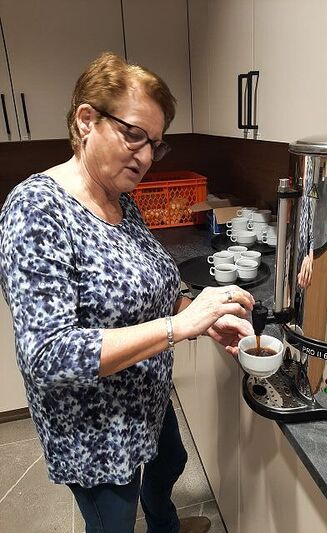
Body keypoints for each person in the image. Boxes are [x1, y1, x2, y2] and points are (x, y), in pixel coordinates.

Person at [0, 52, 254, 533]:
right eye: (134, 134)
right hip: (95, 431)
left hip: (146, 398)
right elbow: (47, 356)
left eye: (154, 144)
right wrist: (179, 326)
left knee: (170, 464)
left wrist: (200, 317)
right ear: (86, 120)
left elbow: (149, 286)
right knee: (113, 522)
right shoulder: (36, 210)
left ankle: (164, 527)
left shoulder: (121, 199)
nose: (145, 156)